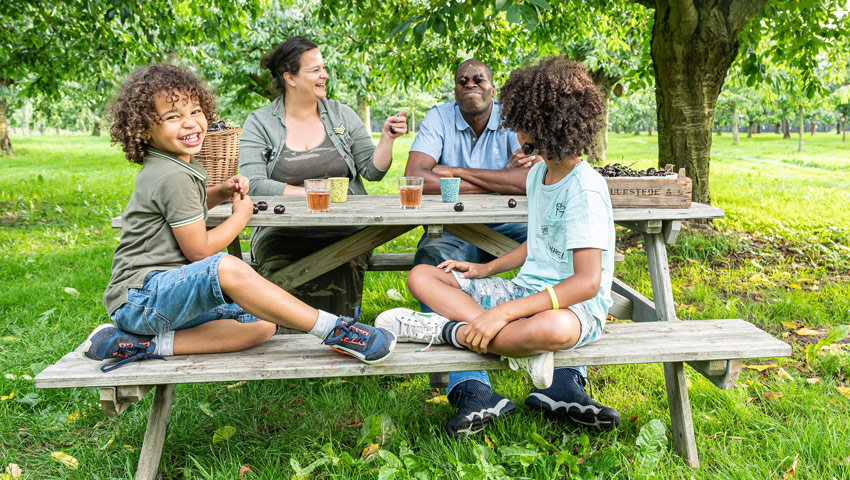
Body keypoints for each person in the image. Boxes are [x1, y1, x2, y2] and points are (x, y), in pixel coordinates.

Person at [84, 64, 396, 372]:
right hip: (143, 296)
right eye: (172, 117)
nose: (190, 123)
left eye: (195, 111)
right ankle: (334, 330)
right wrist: (241, 216)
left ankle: (139, 345)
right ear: (144, 130)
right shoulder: (171, 175)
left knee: (261, 323)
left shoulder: (174, 167)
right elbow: (200, 250)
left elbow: (184, 210)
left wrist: (218, 192)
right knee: (226, 265)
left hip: (164, 296)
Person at [379, 57, 620, 435]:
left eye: (521, 122)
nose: (515, 130)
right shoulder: (541, 173)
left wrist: (502, 314)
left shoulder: (585, 189)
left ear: (541, 126)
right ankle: (521, 354)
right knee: (424, 275)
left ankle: (447, 332)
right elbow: (540, 241)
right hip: (526, 291)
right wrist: (485, 270)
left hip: (573, 306)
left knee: (552, 329)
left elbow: (586, 284)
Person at [238, 36, 407, 317]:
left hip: (344, 227)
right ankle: (283, 341)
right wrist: (315, 195)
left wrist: (387, 139)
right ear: (290, 77)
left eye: (323, 68)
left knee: (346, 259)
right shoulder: (260, 122)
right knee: (278, 264)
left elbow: (373, 171)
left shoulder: (342, 115)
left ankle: (343, 337)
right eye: (315, 70)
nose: (324, 75)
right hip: (281, 230)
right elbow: (254, 184)